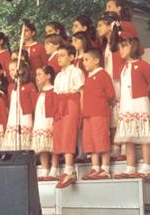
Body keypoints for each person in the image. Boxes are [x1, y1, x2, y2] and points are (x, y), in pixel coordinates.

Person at [114, 34, 150, 179]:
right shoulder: (122, 68)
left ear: (133, 47)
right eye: (120, 46)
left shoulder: (144, 65)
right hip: (126, 103)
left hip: (140, 102)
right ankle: (130, 166)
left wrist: (147, 99)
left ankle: (146, 166)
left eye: (124, 46)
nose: (121, 49)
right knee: (128, 137)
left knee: (144, 135)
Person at [53, 45, 85, 188]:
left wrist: (83, 108)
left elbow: (82, 91)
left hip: (72, 102)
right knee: (60, 134)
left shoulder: (76, 71)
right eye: (58, 55)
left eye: (62, 55)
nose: (59, 58)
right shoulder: (58, 75)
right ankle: (66, 168)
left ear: (71, 57)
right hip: (60, 104)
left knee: (68, 133)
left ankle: (69, 169)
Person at [81, 49, 115, 180]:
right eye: (83, 60)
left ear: (96, 60)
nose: (84, 62)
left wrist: (103, 105)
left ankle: (105, 168)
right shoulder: (88, 76)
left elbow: (110, 94)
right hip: (88, 114)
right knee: (90, 141)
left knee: (101, 139)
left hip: (99, 113)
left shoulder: (102, 74)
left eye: (87, 59)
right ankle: (95, 167)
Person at [97, 12, 125, 160]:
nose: (98, 28)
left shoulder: (119, 40)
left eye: (101, 25)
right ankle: (115, 146)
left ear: (109, 26)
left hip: (118, 79)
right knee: (112, 113)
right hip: (107, 80)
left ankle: (124, 146)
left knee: (120, 110)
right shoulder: (104, 45)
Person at [3, 60, 37, 151]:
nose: (10, 72)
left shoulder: (29, 85)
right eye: (9, 70)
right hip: (13, 115)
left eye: (13, 69)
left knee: (24, 140)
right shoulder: (11, 86)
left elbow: (34, 103)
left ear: (21, 70)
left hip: (25, 115)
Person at [32, 66, 58, 181]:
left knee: (53, 146)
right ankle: (44, 169)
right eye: (36, 74)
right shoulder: (40, 92)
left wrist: (54, 122)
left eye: (40, 74)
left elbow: (56, 107)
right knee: (43, 147)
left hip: (50, 120)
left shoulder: (54, 90)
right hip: (40, 121)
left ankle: (54, 168)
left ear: (48, 76)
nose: (37, 77)